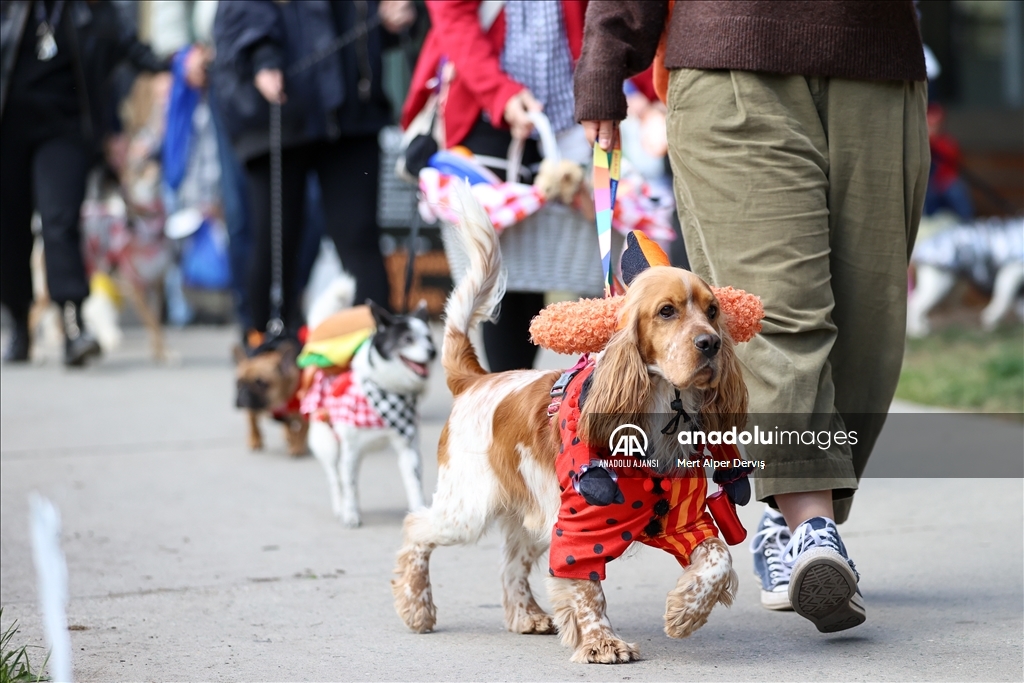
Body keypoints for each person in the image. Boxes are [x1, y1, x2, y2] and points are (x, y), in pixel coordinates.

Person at [574, 1, 929, 632]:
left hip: (877, 60)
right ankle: (811, 529)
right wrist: (607, 53)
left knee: (871, 331)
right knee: (782, 315)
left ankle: (781, 507)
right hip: (733, 54)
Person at [403, 1, 620, 371]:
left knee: (553, 256)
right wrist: (498, 93)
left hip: (569, 110)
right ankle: (507, 393)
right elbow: (453, 17)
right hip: (484, 107)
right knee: (504, 268)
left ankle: (531, 391)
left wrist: (639, 91)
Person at [212, 0, 415, 341]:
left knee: (359, 237)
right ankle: (267, 354)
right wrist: (260, 53)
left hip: (352, 103)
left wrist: (402, 13)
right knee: (277, 240)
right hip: (276, 101)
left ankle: (379, 358)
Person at [0, 0, 171, 366]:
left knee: (59, 221)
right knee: (9, 230)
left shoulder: (90, 8)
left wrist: (172, 64)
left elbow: (129, 45)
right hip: (8, 128)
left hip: (65, 131)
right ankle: (19, 320)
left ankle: (73, 323)